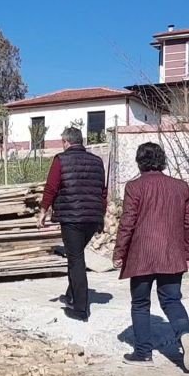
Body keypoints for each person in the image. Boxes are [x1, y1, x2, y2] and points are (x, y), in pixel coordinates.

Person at [112, 142, 189, 370]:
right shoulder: (180, 187)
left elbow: (127, 222)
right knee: (172, 300)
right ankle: (185, 334)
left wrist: (119, 252)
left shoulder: (134, 187)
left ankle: (143, 354)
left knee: (140, 304)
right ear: (162, 161)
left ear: (139, 162)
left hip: (141, 254)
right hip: (171, 254)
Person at [38, 127, 107, 322]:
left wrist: (43, 211)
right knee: (75, 256)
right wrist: (101, 215)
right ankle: (71, 295)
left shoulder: (61, 160)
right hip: (92, 217)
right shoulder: (97, 161)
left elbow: (51, 187)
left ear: (66, 142)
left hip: (72, 218)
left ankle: (80, 309)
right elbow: (102, 191)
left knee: (76, 260)